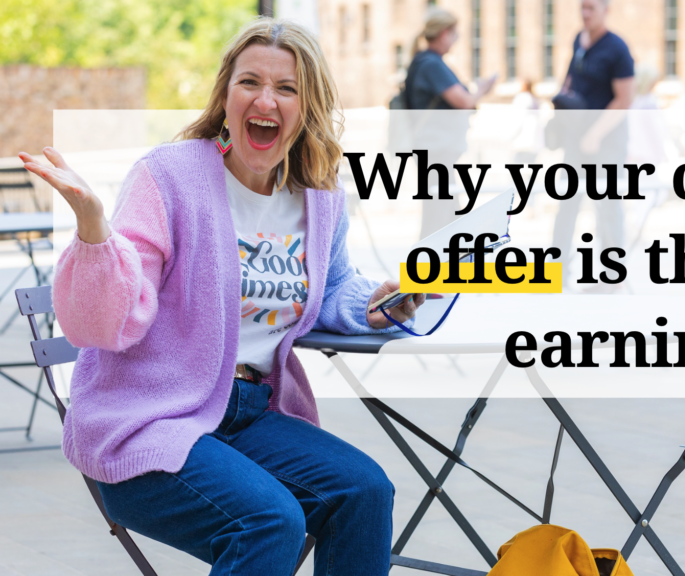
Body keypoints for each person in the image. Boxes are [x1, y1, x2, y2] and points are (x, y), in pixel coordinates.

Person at [19, 18, 420, 576]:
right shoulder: (170, 177)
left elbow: (331, 288)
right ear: (226, 95)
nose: (266, 99)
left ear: (309, 108)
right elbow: (102, 322)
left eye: (287, 88)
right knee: (270, 520)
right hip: (147, 418)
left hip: (250, 414)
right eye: (250, 82)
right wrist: (93, 230)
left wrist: (375, 307)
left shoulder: (319, 196)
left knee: (366, 491)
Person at [551, 0, 635, 287]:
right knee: (567, 204)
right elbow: (571, 82)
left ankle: (612, 277)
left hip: (606, 141)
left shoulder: (617, 49)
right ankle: (557, 274)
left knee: (608, 205)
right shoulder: (579, 40)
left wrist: (596, 134)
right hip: (576, 140)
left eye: (591, 8)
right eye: (582, 8)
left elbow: (625, 99)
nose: (585, 14)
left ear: (605, 10)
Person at [404, 7, 497, 239]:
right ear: (445, 33)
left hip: (433, 149)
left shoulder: (422, 62)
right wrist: (483, 89)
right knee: (439, 216)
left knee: (449, 214)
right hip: (436, 151)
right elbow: (463, 101)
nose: (455, 40)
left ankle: (447, 270)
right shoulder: (432, 65)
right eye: (455, 34)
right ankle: (425, 270)